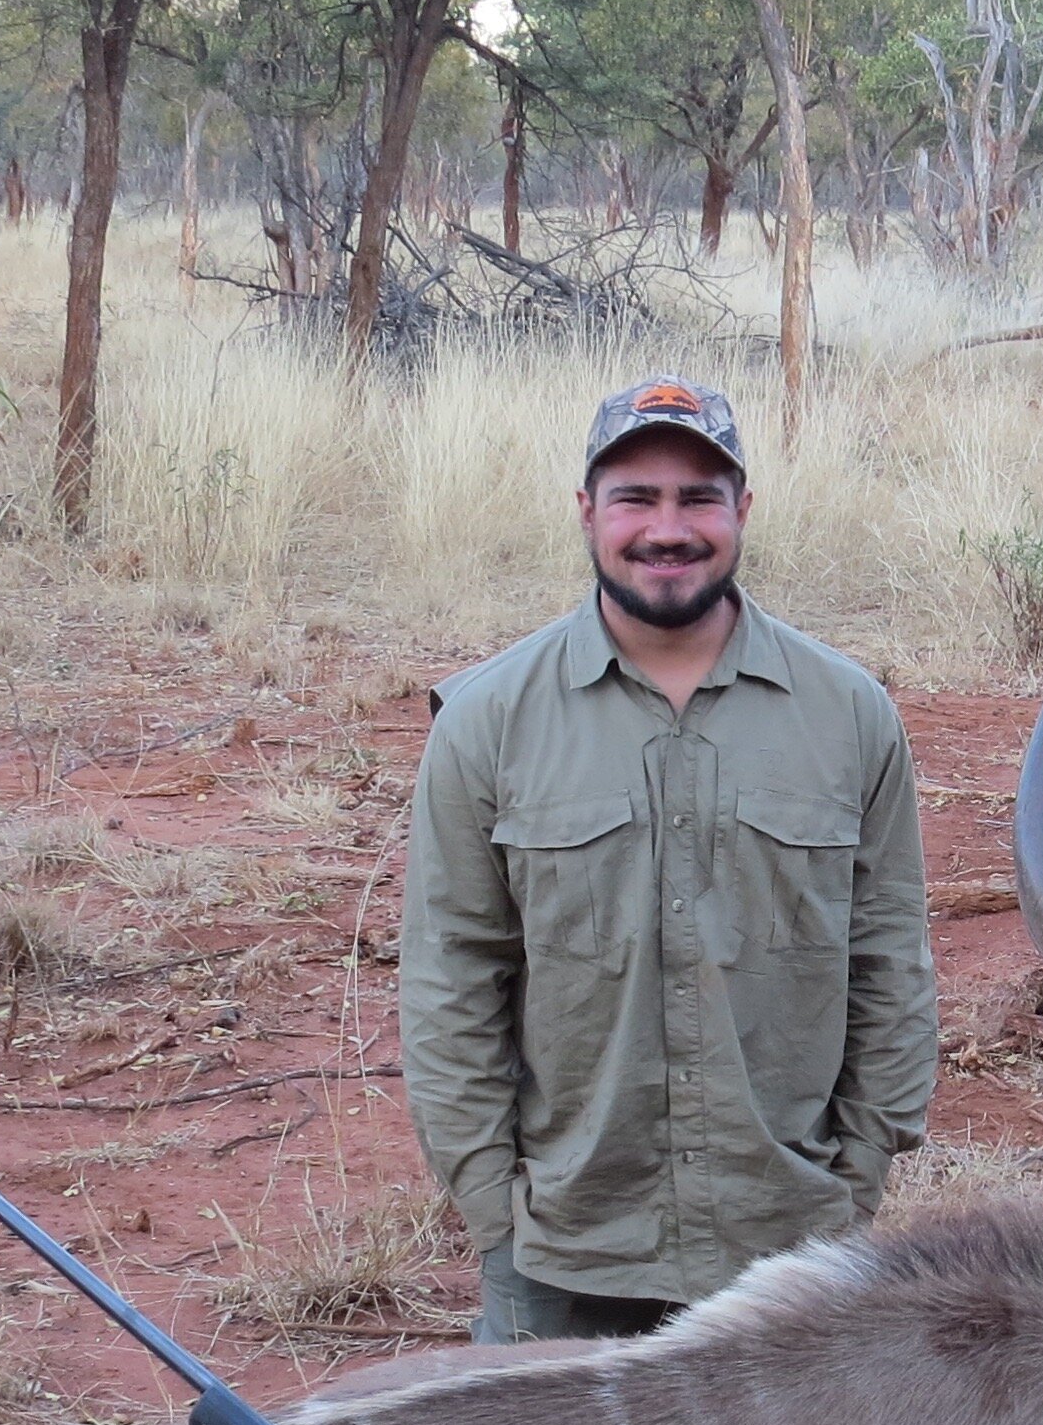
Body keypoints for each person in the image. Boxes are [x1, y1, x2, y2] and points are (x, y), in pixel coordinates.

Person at [400, 376, 935, 1343]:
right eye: (635, 497)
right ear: (587, 513)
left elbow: (890, 965)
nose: (667, 528)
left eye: (698, 497)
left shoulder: (851, 715)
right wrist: (493, 1212)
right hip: (560, 1256)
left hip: (790, 1255)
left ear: (742, 511)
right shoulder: (486, 721)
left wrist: (854, 1188)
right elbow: (450, 978)